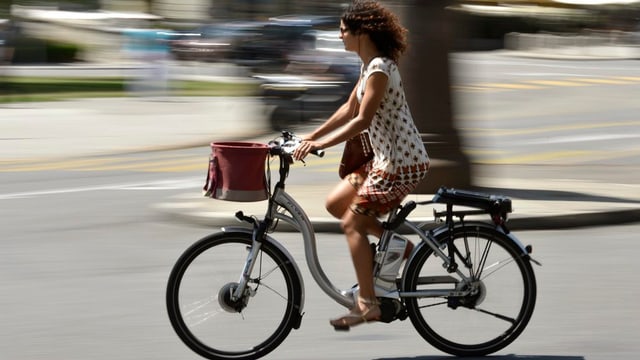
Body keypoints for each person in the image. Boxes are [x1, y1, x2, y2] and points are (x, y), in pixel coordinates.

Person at [293, 0, 429, 330]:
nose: (339, 36)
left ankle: (368, 304)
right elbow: (348, 108)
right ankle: (396, 246)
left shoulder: (380, 68)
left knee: (352, 225)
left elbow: (362, 120)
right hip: (383, 160)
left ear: (361, 32)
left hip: (400, 164)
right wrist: (308, 137)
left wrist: (320, 145)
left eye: (343, 30)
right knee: (336, 204)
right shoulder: (368, 65)